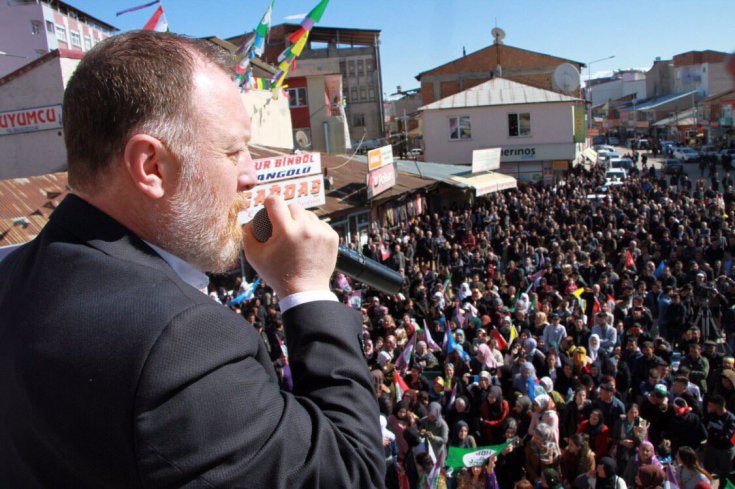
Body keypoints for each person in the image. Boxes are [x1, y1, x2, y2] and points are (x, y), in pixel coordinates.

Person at [0, 32, 384, 487]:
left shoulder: (11, 277)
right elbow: (352, 472)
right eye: (233, 150)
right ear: (151, 167)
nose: (251, 174)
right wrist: (308, 293)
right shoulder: (182, 344)